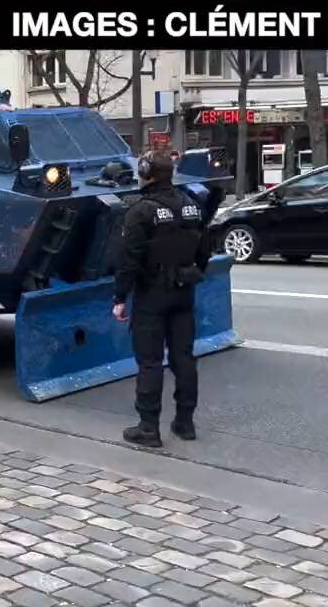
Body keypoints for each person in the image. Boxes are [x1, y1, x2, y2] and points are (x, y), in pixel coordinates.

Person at [112, 151, 211, 448]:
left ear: (145, 174)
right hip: (184, 290)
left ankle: (148, 427)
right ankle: (185, 423)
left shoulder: (140, 211)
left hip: (152, 293)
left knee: (150, 361)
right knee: (184, 358)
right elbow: (204, 248)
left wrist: (120, 297)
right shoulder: (192, 206)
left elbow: (129, 260)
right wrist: (190, 272)